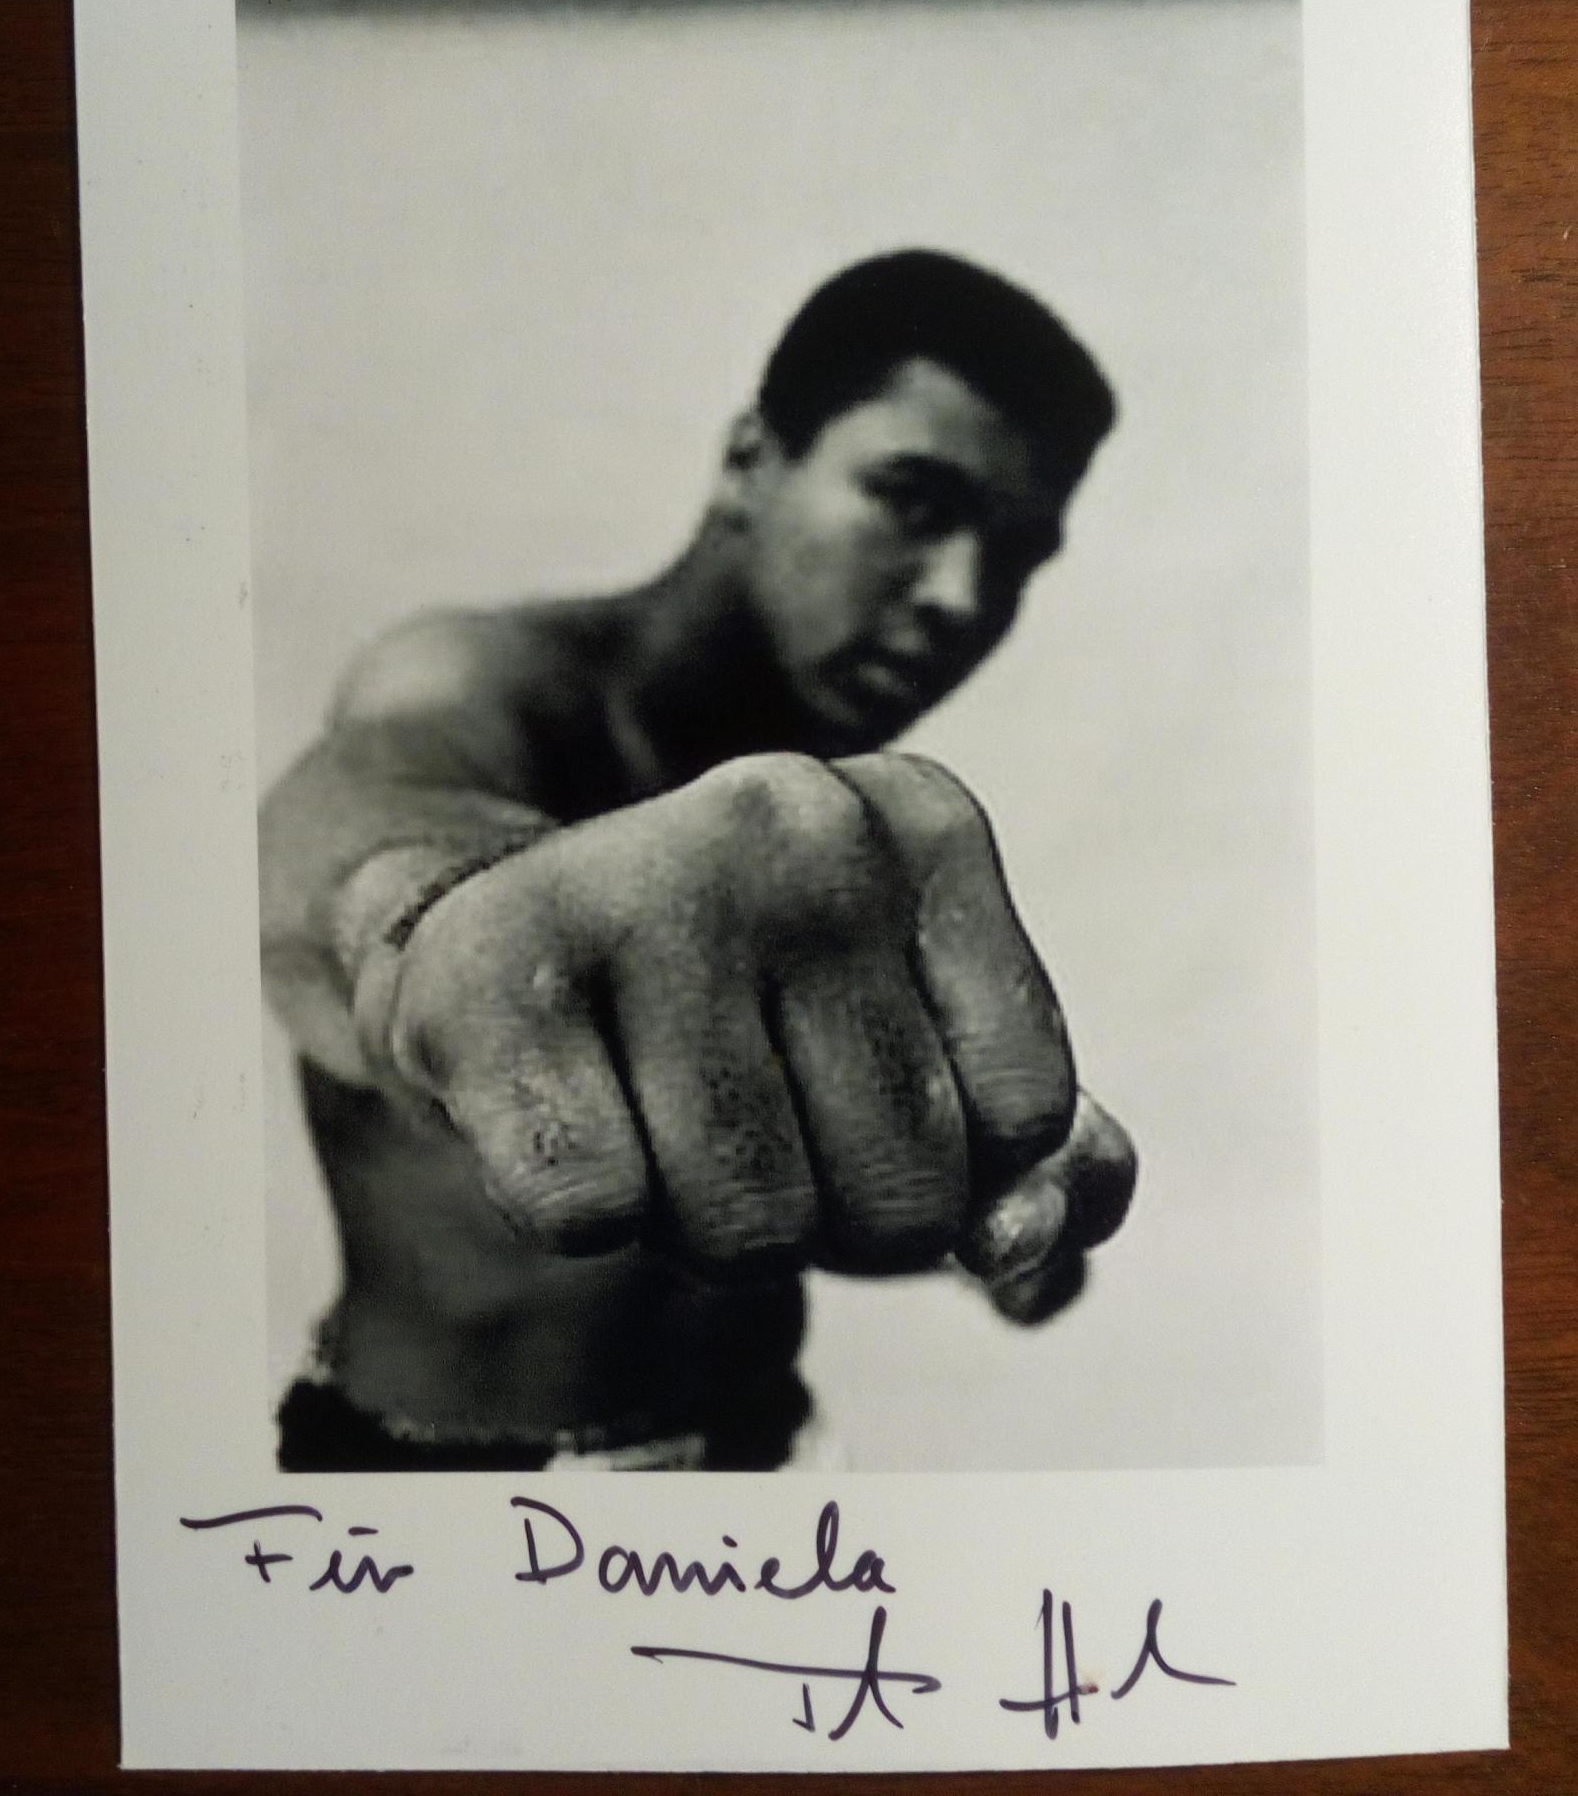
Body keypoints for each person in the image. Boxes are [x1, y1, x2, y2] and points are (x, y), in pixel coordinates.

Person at [258, 249, 1138, 1471]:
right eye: (914, 501)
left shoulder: (815, 817)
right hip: (446, 1493)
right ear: (747, 458)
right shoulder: (483, 680)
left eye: (1018, 551)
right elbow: (359, 812)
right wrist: (439, 920)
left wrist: (953, 1198)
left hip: (759, 1449)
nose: (960, 594)